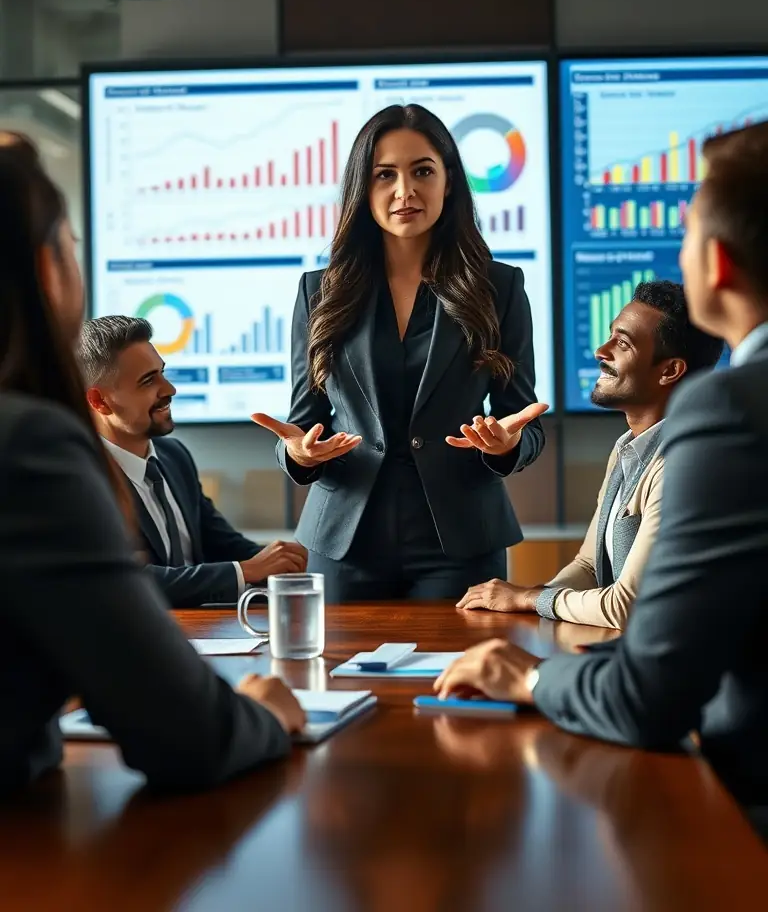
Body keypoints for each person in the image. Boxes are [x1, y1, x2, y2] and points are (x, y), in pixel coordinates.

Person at [434, 121, 768, 838]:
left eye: (686, 234)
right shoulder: (637, 446)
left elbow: (650, 692)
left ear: (720, 265)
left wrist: (525, 677)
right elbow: (599, 572)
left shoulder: (727, 412)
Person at [0, 143, 305, 796]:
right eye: (73, 245)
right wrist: (260, 715)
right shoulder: (29, 448)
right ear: (46, 270)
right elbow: (185, 730)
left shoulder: (164, 456)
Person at [253, 104, 547, 601]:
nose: (404, 191)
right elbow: (303, 424)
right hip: (345, 539)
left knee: (458, 679)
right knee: (342, 679)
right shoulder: (319, 293)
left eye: (422, 171)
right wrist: (298, 454)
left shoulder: (499, 289)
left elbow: (527, 422)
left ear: (448, 182)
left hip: (461, 542)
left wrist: (507, 446)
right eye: (384, 175)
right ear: (361, 189)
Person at [457, 281, 723, 629]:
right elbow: (589, 566)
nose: (601, 350)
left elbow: (626, 607)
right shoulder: (628, 448)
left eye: (622, 343)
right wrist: (532, 601)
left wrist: (527, 598)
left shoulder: (683, 464)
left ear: (670, 370)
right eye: (611, 335)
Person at [78, 316, 308, 608]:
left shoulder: (174, 456)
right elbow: (123, 580)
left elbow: (224, 545)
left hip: (206, 634)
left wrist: (288, 562)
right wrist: (244, 571)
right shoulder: (83, 480)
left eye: (162, 373)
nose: (170, 389)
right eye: (148, 381)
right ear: (99, 401)